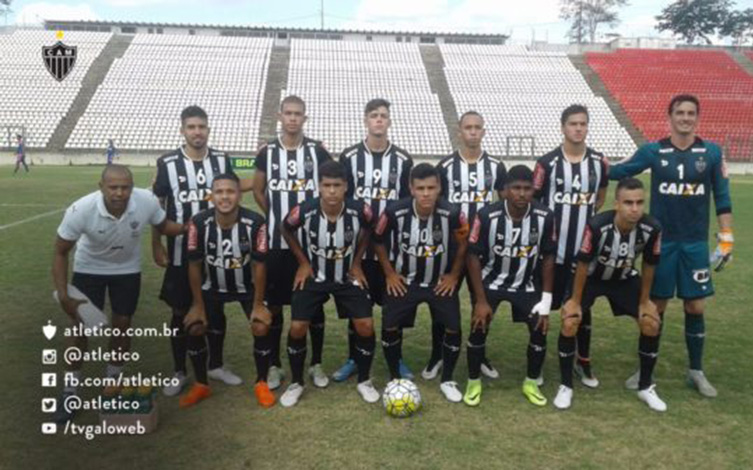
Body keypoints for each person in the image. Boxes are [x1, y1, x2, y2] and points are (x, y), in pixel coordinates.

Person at [609, 95, 733, 397]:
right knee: (655, 306)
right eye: (680, 112)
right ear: (671, 116)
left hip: (694, 244)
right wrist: (587, 160)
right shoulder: (654, 150)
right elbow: (619, 171)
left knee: (695, 305)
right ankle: (644, 368)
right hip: (661, 243)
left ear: (697, 118)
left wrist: (726, 237)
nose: (686, 118)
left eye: (691, 113)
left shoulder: (712, 153)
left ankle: (696, 370)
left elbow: (722, 196)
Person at [51, 164, 185, 423]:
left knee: (122, 325)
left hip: (127, 271)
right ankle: (69, 391)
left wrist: (191, 227)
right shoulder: (81, 210)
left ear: (132, 188)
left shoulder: (145, 201)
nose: (120, 193)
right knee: (79, 330)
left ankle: (112, 381)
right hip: (89, 269)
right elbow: (59, 252)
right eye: (113, 187)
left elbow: (164, 224)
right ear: (101, 187)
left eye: (125, 187)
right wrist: (64, 295)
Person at [152, 105, 253, 398]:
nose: (197, 132)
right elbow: (157, 208)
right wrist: (156, 244)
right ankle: (179, 370)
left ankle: (216, 364)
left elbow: (234, 187)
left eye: (202, 127)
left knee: (216, 306)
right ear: (182, 130)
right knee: (180, 311)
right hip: (182, 253)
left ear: (209, 129)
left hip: (218, 253)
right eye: (192, 127)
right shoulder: (167, 163)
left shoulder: (221, 160)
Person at [554, 178, 665, 411]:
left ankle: (645, 387)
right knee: (570, 322)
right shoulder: (597, 226)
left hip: (623, 279)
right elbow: (583, 264)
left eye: (639, 203)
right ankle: (566, 386)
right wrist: (574, 301)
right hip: (590, 278)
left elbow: (649, 265)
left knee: (651, 323)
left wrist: (645, 302)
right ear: (616, 204)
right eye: (628, 203)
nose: (634, 209)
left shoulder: (652, 228)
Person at [278, 160, 377, 407]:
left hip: (346, 278)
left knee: (365, 325)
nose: (332, 191)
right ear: (318, 187)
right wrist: (302, 262)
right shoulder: (304, 210)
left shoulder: (360, 210)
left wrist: (356, 262)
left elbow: (370, 228)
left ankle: (364, 380)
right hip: (315, 277)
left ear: (346, 187)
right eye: (326, 185)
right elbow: (285, 228)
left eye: (337, 185)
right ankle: (297, 382)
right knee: (298, 327)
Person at [252, 95, 333, 391]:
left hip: (312, 244)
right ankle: (274, 365)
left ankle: (316, 364)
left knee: (314, 305)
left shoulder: (316, 151)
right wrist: (275, 216)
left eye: (298, 114)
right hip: (277, 244)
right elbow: (259, 190)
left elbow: (330, 185)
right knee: (275, 306)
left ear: (305, 118)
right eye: (288, 113)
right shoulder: (267, 152)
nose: (293, 118)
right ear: (279, 116)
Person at [373, 163, 469, 402]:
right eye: (420, 188)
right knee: (390, 326)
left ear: (439, 188)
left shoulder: (454, 213)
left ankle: (447, 379)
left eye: (431, 188)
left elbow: (465, 242)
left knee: (453, 327)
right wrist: (390, 274)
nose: (426, 193)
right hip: (405, 282)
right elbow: (377, 240)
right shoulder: (394, 211)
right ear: (411, 188)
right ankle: (395, 377)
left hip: (439, 282)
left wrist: (454, 275)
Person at [334, 98, 414, 382]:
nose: (379, 120)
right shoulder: (349, 156)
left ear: (389, 121)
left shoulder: (403, 159)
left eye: (383, 116)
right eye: (374, 116)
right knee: (358, 308)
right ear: (365, 120)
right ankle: (354, 357)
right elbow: (342, 200)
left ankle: (397, 357)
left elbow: (408, 204)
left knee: (394, 308)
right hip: (357, 248)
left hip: (392, 250)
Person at [463, 165, 556, 407]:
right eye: (516, 188)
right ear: (504, 191)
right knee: (479, 326)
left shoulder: (545, 216)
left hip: (525, 284)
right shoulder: (486, 216)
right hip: (491, 281)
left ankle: (531, 381)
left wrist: (546, 299)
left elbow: (548, 256)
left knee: (539, 328)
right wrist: (480, 300)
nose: (522, 194)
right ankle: (473, 381)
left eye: (527, 188)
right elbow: (472, 256)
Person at [533, 104, 609, 388]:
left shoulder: (600, 162)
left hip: (583, 255)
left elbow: (600, 197)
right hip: (552, 254)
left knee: (583, 309)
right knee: (543, 306)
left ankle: (583, 362)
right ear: (563, 127)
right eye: (573, 123)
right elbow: (536, 201)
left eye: (583, 123)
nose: (578, 128)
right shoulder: (547, 163)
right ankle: (537, 363)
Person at [182, 173, 274, 408]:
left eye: (230, 191)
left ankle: (261, 382)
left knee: (261, 326)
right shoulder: (198, 222)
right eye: (219, 192)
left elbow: (260, 265)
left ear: (239, 195)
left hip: (246, 288)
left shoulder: (256, 223)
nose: (225, 197)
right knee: (195, 326)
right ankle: (202, 384)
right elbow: (194, 265)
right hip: (211, 288)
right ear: (211, 196)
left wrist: (259, 304)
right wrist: (197, 305)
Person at [434, 111, 507, 381]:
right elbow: (437, 205)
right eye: (468, 127)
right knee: (442, 300)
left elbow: (503, 203)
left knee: (482, 300)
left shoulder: (497, 167)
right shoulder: (445, 166)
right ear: (459, 131)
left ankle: (480, 352)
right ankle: (437, 355)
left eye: (477, 127)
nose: (473, 132)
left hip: (484, 249)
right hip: (452, 247)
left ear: (483, 131)